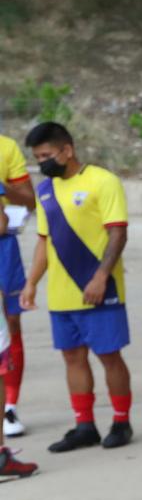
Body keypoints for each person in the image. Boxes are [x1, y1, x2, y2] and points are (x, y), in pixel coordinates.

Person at [21, 122, 132, 453]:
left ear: (66, 150)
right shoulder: (44, 192)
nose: (42, 163)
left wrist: (100, 277)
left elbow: (118, 233)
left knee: (109, 356)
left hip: (100, 288)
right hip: (62, 294)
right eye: (37, 158)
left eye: (46, 155)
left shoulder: (103, 181)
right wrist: (31, 283)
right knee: (72, 357)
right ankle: (84, 426)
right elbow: (44, 241)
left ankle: (121, 421)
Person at [0, 134, 36, 437]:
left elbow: (30, 200)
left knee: (11, 321)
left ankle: (9, 407)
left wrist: (3, 189)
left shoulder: (5, 147)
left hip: (3, 247)